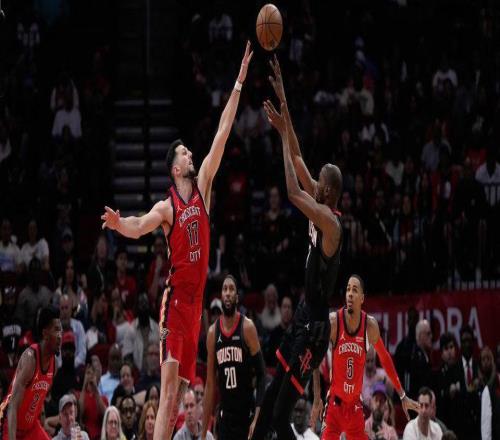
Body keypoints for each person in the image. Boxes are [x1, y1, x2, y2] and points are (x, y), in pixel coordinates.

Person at [101, 41, 253, 440]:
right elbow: (139, 225)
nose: (191, 155)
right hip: (176, 302)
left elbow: (222, 132)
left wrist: (238, 82)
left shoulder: (204, 186)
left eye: (189, 152)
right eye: (185, 153)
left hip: (197, 305)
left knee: (181, 393)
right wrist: (118, 225)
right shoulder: (167, 206)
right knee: (168, 392)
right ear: (174, 168)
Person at [253, 55, 343, 440]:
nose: (314, 183)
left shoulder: (330, 222)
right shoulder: (322, 200)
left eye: (319, 182)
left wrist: (279, 135)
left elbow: (292, 190)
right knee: (270, 396)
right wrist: (284, 100)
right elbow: (298, 156)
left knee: (280, 416)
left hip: (316, 329)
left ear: (328, 192)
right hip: (304, 313)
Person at [319, 275, 419, 439]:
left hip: (355, 408)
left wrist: (402, 394)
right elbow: (315, 353)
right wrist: (317, 396)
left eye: (355, 290)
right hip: (335, 407)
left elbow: (385, 358)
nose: (350, 294)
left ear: (362, 298)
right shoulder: (334, 322)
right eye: (348, 289)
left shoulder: (370, 326)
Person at [201, 275, 265, 440]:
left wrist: (257, 418)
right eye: (224, 289)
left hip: (247, 416)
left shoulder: (247, 327)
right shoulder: (212, 333)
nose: (228, 293)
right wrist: (203, 434)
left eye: (231, 289)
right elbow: (210, 385)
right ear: (221, 296)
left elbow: (262, 375)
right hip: (226, 419)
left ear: (237, 297)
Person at [0, 306, 62, 440]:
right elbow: (12, 406)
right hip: (8, 424)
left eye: (61, 330)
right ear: (45, 333)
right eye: (56, 330)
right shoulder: (30, 358)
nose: (60, 336)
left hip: (31, 428)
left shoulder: (54, 365)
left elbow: (37, 399)